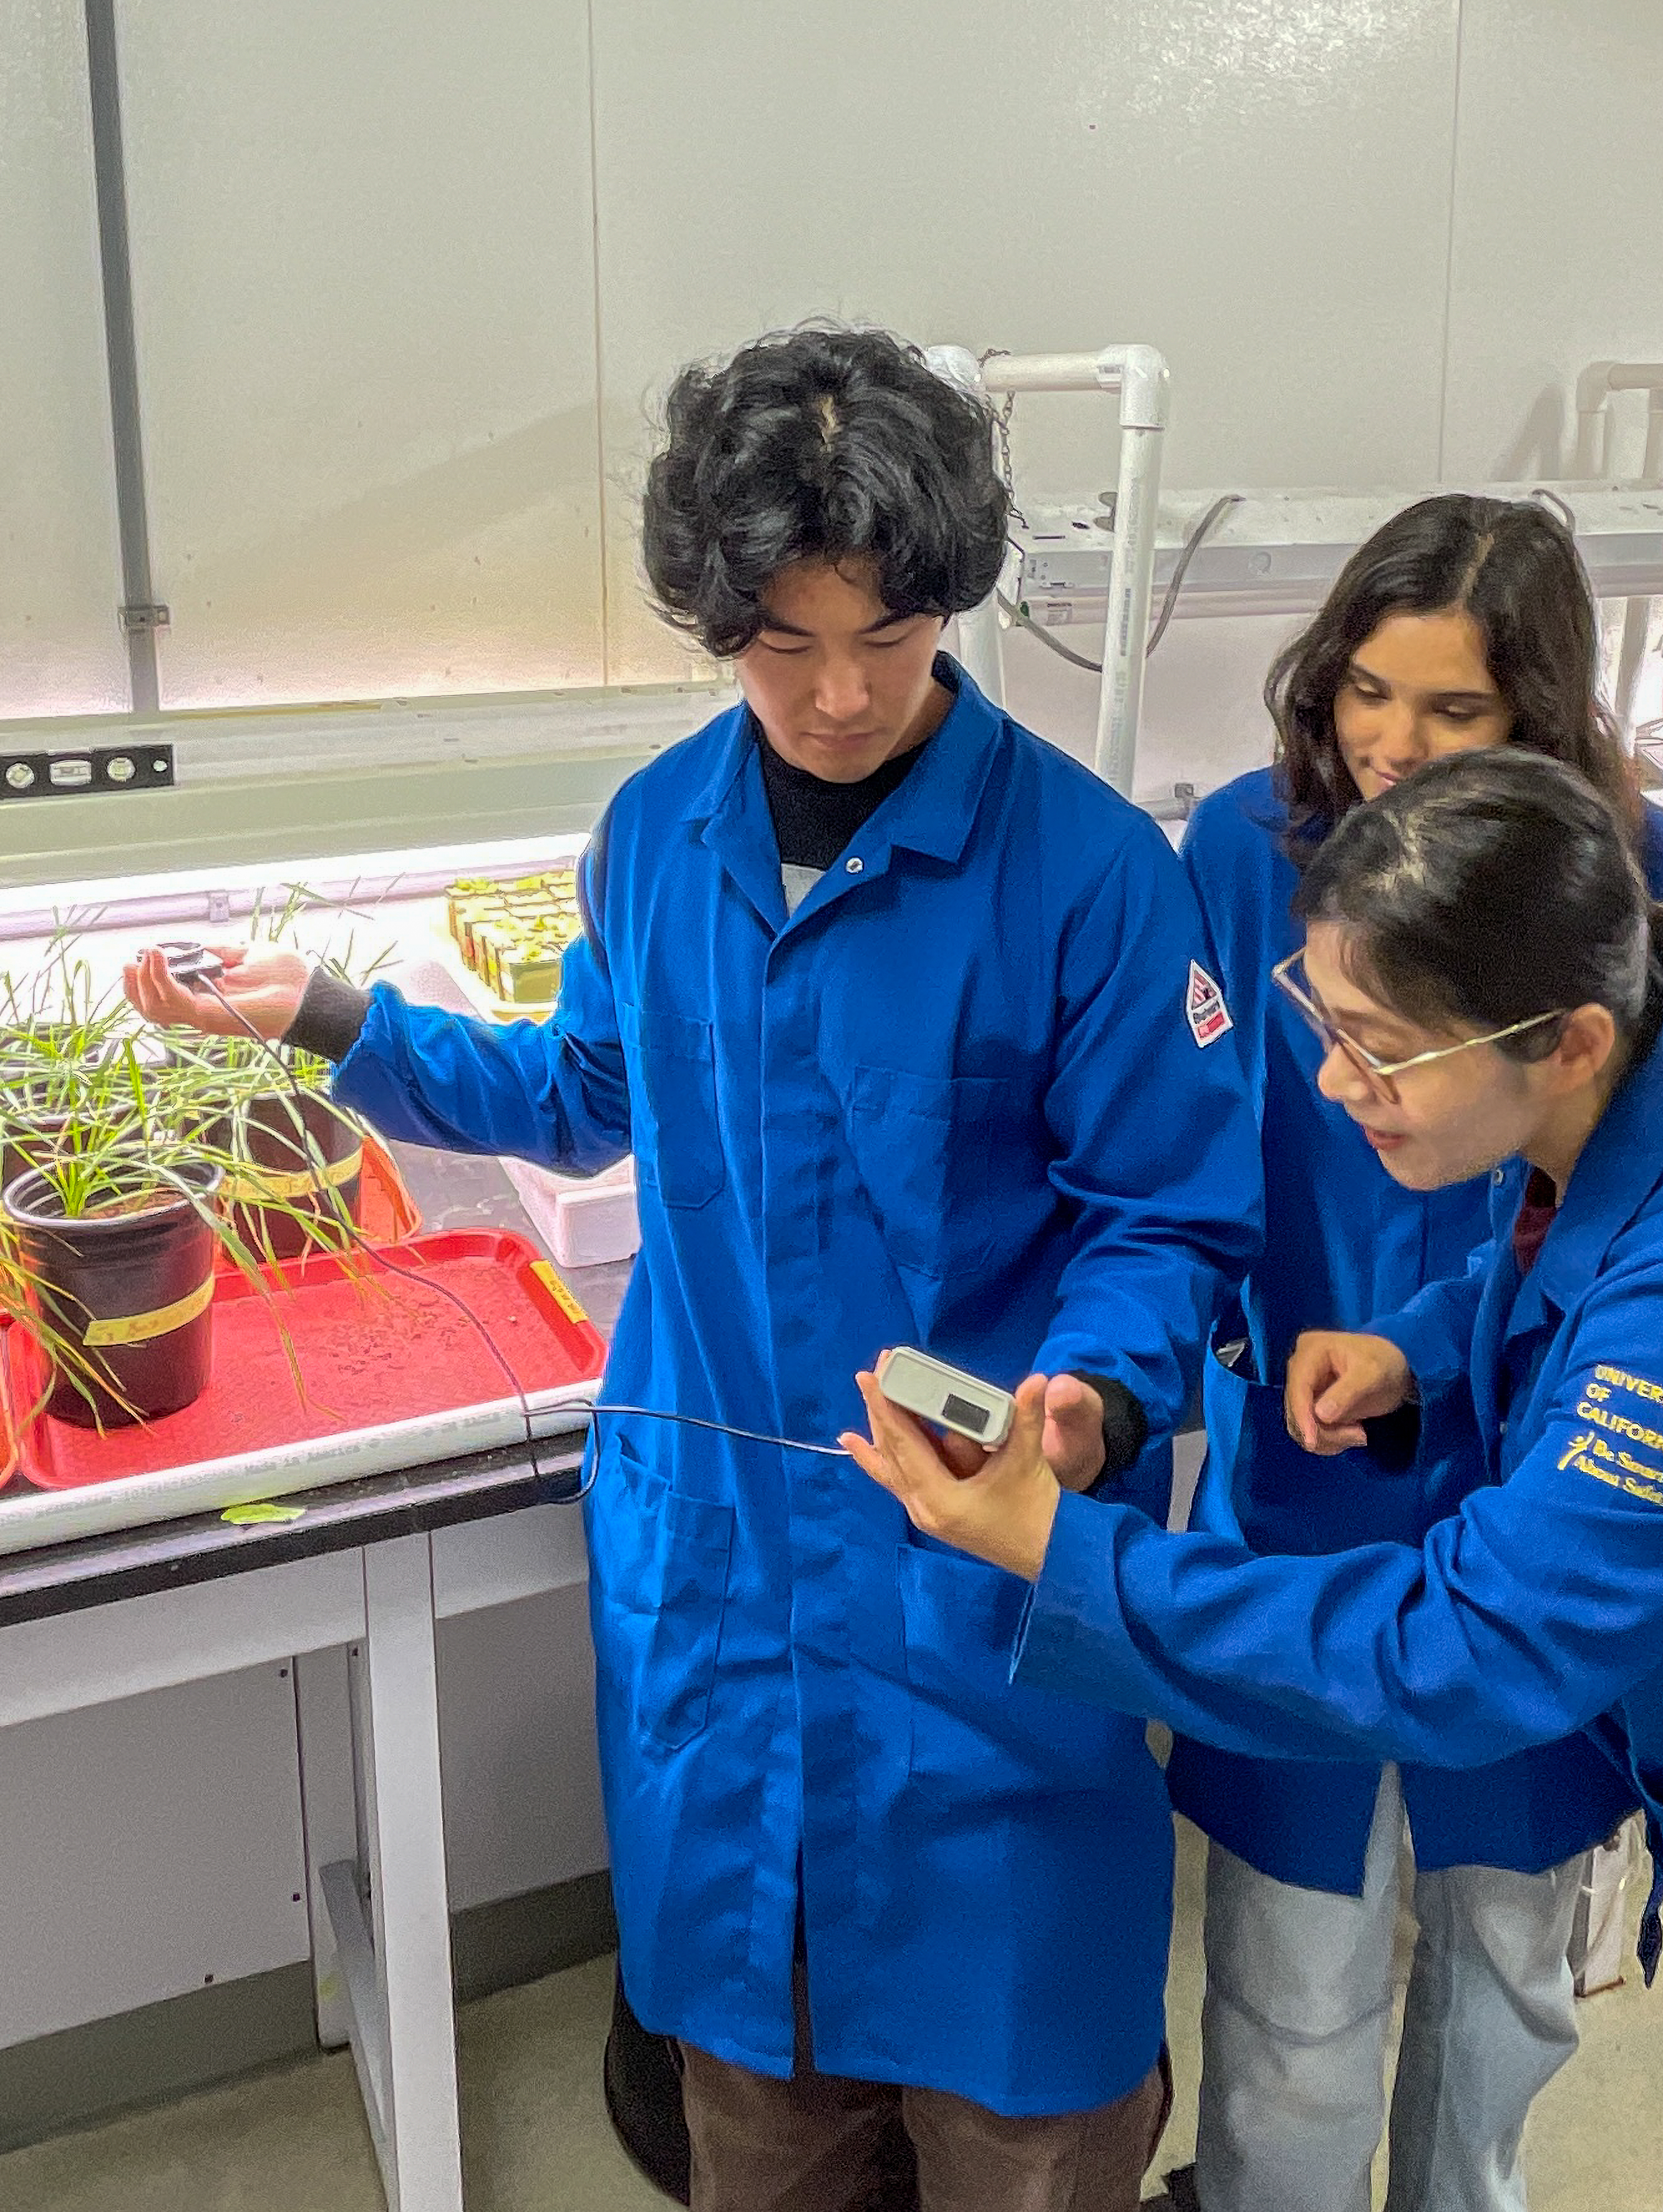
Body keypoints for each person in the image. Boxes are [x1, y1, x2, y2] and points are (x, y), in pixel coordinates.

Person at [128, 323, 1256, 2212]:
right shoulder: (656, 835)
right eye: (783, 642)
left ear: (948, 610)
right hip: (724, 1583)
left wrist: (1090, 1396)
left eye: (883, 645)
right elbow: (586, 1091)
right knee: (759, 2109)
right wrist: (329, 1013)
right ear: (714, 616)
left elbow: (1169, 1214)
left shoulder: (1086, 876)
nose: (832, 696)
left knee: (1022, 2122)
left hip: (973, 1592)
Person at [844, 749, 1663, 2212]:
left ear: (1566, 1038)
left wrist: (1057, 1548)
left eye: (1379, 1047)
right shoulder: (1637, 1093)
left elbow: (1456, 1648)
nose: (1337, 1085)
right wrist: (1418, 1354)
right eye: (1323, 1023)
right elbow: (1542, 1256)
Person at [1166, 494, 1663, 2212]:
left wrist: (1431, 1347)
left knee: (1501, 1979)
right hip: (1313, 1479)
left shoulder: (1644, 880)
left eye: (1454, 710)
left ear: (1540, 716)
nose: (1391, 747)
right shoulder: (1244, 854)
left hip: (1548, 1487)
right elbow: (1188, 1156)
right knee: (1296, 1990)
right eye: (1363, 692)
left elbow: (1661, 1196)